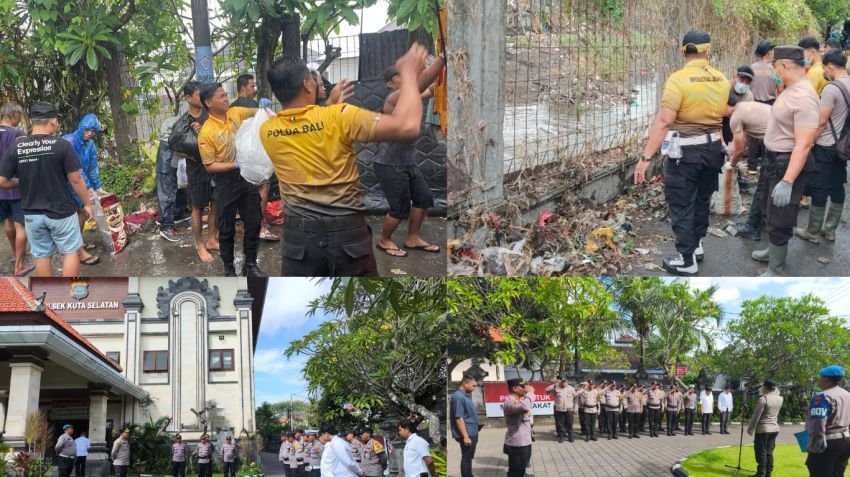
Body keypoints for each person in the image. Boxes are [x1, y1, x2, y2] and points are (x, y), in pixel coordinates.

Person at [260, 43, 429, 276]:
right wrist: (409, 74)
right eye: (314, 80)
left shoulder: (268, 130)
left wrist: (330, 105)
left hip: (299, 239)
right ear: (307, 84)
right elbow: (407, 127)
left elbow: (307, 130)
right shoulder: (339, 116)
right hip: (347, 232)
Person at [634, 30, 730, 275]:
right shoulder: (721, 79)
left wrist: (646, 158)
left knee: (682, 203)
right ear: (708, 52)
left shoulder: (678, 79)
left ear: (683, 52)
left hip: (686, 153)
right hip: (713, 149)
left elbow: (665, 121)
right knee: (701, 199)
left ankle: (687, 261)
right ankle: (696, 245)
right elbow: (721, 118)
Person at [0, 102, 93, 277]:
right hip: (62, 213)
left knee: (41, 255)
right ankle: (67, 298)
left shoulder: (17, 147)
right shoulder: (62, 145)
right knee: (70, 251)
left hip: (32, 214)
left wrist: (21, 182)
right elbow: (76, 179)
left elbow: (2, 181)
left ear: (32, 122)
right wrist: (87, 203)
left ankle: (48, 297)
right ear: (52, 122)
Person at [751, 46, 821, 276]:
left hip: (786, 163)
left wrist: (789, 181)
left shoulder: (804, 97)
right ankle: (772, 251)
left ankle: (776, 268)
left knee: (781, 216)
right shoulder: (790, 89)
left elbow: (804, 144)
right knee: (768, 208)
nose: (773, 71)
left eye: (774, 66)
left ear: (783, 65)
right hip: (773, 160)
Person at [373, 55, 445, 258]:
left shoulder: (410, 97)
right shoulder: (393, 99)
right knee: (399, 208)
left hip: (407, 162)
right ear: (389, 83)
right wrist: (442, 59)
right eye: (399, 75)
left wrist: (444, 73)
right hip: (389, 163)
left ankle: (412, 238)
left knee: (424, 198)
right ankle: (384, 240)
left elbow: (430, 89)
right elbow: (420, 85)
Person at [197, 83, 266, 277]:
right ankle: (229, 268)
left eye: (226, 94)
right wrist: (236, 164)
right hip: (225, 183)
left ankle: (250, 264)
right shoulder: (207, 132)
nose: (226, 98)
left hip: (246, 180)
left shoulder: (235, 113)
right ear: (209, 103)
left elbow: (257, 112)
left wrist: (262, 106)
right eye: (221, 96)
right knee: (226, 229)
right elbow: (209, 165)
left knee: (253, 222)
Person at [795, 50, 850, 245]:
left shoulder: (831, 88)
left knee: (819, 187)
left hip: (826, 145)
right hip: (844, 147)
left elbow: (821, 121)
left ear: (831, 67)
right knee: (837, 186)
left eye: (825, 68)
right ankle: (830, 230)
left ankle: (812, 231)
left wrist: (808, 143)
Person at [169, 81, 219, 263]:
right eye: (199, 95)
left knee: (216, 203)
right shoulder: (182, 123)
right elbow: (174, 146)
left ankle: (212, 239)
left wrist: (204, 131)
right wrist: (186, 153)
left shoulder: (210, 116)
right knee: (198, 208)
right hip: (197, 170)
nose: (203, 98)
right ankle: (200, 245)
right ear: (189, 98)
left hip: (215, 167)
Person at [229, 73, 280, 243]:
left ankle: (247, 225)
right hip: (254, 155)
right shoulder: (251, 105)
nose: (254, 89)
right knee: (263, 187)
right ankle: (260, 226)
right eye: (252, 86)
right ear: (243, 88)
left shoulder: (232, 106)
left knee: (245, 192)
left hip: (240, 154)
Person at [62, 113, 108, 266]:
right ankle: (75, 250)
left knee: (81, 214)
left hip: (79, 183)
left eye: (93, 132)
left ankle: (78, 243)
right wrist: (87, 190)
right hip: (66, 185)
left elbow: (92, 167)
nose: (90, 134)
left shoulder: (90, 144)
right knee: (75, 215)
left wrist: (98, 187)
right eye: (87, 130)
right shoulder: (69, 141)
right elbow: (77, 171)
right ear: (81, 127)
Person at [730, 101, 773, 240]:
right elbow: (748, 135)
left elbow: (739, 150)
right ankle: (765, 220)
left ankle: (752, 227)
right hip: (784, 141)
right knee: (769, 187)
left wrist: (732, 164)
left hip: (777, 145)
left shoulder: (735, 117)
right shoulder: (746, 106)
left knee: (762, 187)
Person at [0, 102, 31, 276]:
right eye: (19, 116)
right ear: (13, 115)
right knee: (21, 226)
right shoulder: (17, 134)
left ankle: (14, 253)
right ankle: (19, 266)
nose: (20, 120)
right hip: (15, 187)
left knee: (8, 221)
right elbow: (24, 160)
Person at [806, 365, 850, 476]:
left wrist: (813, 446)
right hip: (846, 441)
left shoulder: (821, 397)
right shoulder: (847, 395)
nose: (818, 380)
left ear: (827, 379)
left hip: (827, 442)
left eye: (819, 377)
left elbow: (818, 425)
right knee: (838, 473)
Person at [747, 379, 784, 477]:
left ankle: (760, 473)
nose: (761, 388)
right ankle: (768, 473)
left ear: (766, 388)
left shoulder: (763, 399)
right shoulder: (780, 399)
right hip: (774, 429)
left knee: (761, 452)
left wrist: (750, 429)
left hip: (763, 429)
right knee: (769, 452)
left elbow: (756, 416)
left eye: (763, 387)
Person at [157, 113, 183, 242]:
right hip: (167, 162)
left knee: (177, 191)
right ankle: (166, 226)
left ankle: (174, 217)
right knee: (167, 194)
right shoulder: (175, 124)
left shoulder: (174, 123)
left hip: (174, 162)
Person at [451, 374, 479, 477]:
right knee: (466, 458)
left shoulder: (464, 396)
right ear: (465, 383)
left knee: (468, 457)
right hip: (467, 433)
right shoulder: (458, 397)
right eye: (473, 385)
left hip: (471, 431)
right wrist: (466, 437)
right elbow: (459, 418)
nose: (474, 388)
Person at [503, 378, 533, 476]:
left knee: (522, 465)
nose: (526, 389)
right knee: (516, 470)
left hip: (525, 440)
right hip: (517, 443)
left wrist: (527, 396)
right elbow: (525, 407)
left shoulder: (521, 399)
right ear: (515, 388)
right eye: (523, 387)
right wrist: (530, 394)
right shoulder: (509, 402)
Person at [545, 375, 577, 443]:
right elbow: (546, 390)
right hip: (559, 409)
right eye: (562, 382)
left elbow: (576, 398)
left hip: (569, 409)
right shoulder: (556, 388)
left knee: (569, 424)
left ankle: (570, 437)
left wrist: (575, 407)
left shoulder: (571, 388)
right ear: (560, 382)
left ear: (567, 381)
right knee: (560, 424)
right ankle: (561, 437)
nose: (563, 383)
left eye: (564, 382)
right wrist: (555, 384)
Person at [751, 40, 779, 106]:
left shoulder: (752, 67)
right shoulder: (773, 68)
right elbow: (780, 88)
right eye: (771, 50)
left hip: (754, 103)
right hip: (770, 103)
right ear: (768, 53)